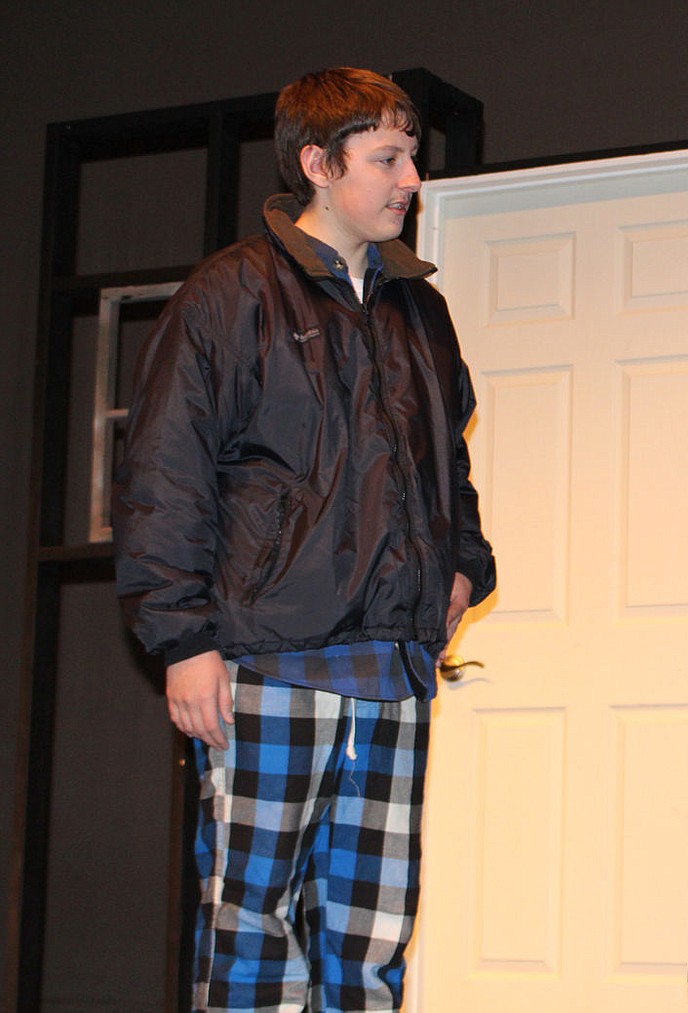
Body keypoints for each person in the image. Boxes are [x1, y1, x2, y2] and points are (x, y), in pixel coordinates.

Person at [114, 67, 496, 1012]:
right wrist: (184, 640)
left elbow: (450, 460)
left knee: (371, 936)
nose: (412, 178)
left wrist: (462, 566)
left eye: (412, 157)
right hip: (267, 663)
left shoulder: (420, 308)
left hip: (393, 672)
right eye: (389, 159)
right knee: (252, 929)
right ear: (320, 165)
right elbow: (164, 473)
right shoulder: (228, 294)